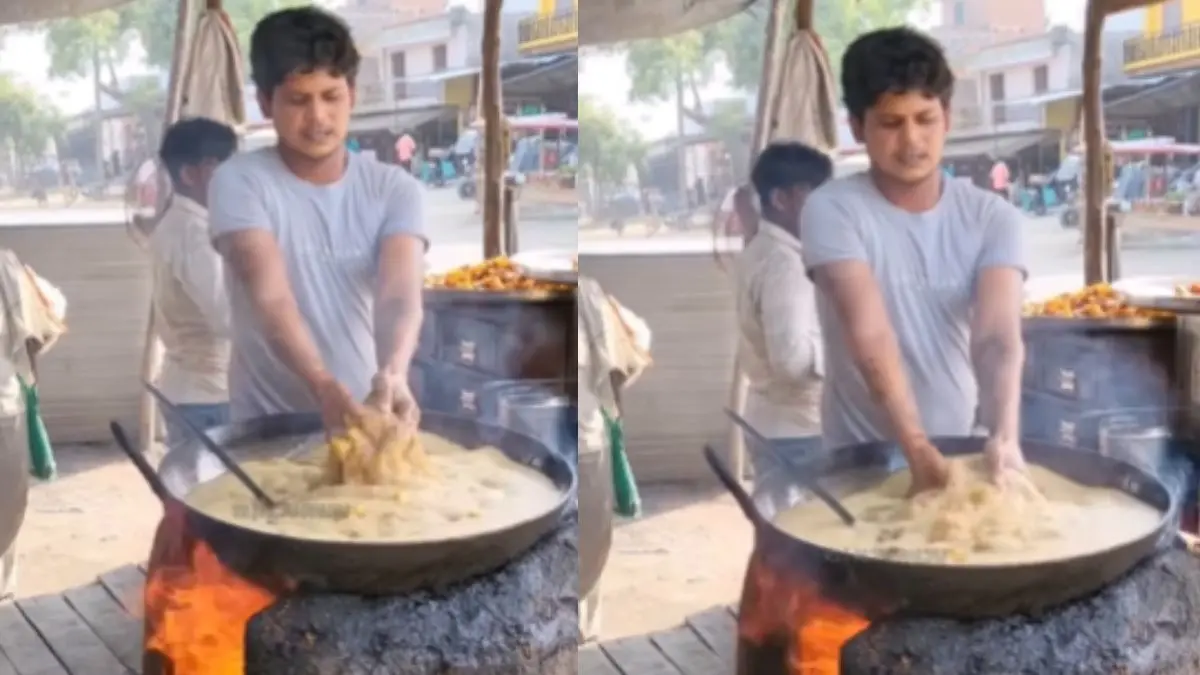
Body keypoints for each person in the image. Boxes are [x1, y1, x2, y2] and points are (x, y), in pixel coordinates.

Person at [800, 27, 1027, 494]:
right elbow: (870, 334)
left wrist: (1004, 433)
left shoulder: (992, 217)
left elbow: (996, 337)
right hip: (860, 467)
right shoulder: (832, 209)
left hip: (962, 454)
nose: (912, 141)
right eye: (890, 123)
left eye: (925, 118)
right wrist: (916, 447)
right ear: (858, 127)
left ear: (946, 116)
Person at [207, 7, 426, 434]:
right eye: (298, 99)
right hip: (266, 429)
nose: (319, 118)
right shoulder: (239, 181)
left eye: (331, 96)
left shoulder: (396, 189)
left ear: (353, 95)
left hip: (366, 419)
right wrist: (323, 386)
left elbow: (398, 297)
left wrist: (394, 373)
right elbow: (271, 298)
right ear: (266, 102)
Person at [735, 142, 831, 449]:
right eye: (815, 197)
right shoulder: (785, 265)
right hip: (799, 433)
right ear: (780, 199)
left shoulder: (761, 249)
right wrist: (847, 354)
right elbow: (790, 362)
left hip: (778, 427)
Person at [149, 117, 238, 446]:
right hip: (209, 397)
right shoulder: (195, 234)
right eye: (219, 167)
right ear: (189, 174)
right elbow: (227, 317)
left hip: (191, 390)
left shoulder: (177, 223)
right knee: (215, 495)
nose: (233, 178)